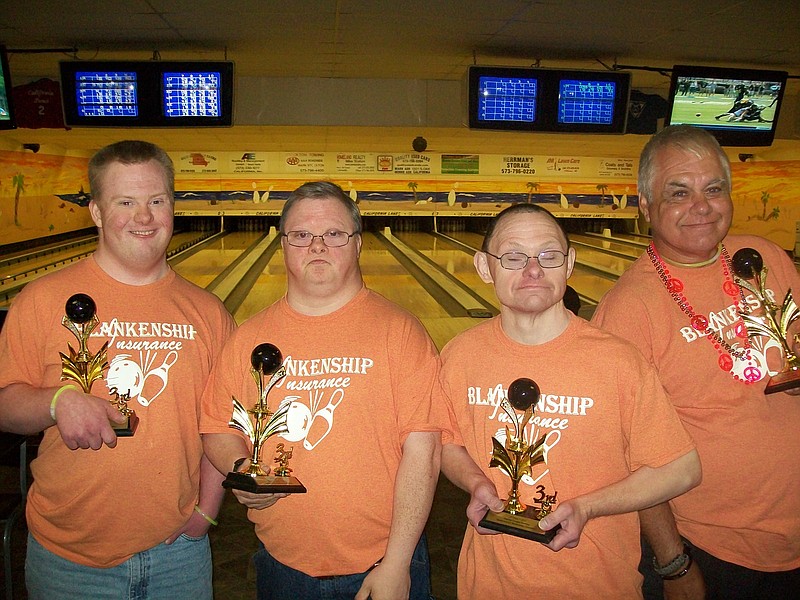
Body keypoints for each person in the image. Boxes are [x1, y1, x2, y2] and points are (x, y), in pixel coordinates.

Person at [0, 140, 236, 599]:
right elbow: (5, 404)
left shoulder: (209, 313)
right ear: (96, 212)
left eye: (156, 201)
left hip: (178, 554)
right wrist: (57, 401)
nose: (143, 217)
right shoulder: (40, 299)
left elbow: (221, 424)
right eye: (125, 202)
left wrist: (207, 512)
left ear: (173, 205)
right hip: (68, 558)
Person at [439, 203, 701, 598]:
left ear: (570, 263)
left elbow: (682, 469)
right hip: (487, 586)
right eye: (513, 257)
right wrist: (475, 482)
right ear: (483, 267)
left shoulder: (619, 361)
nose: (533, 270)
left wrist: (589, 507)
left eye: (549, 255)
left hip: (598, 586)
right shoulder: (459, 356)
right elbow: (446, 441)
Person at [200, 181, 446, 600]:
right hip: (282, 564)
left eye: (333, 234)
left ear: (357, 244)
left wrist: (398, 563)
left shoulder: (401, 332)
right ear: (282, 245)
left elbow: (424, 450)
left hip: (383, 562)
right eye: (300, 235)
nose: (317, 246)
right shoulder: (248, 338)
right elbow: (216, 427)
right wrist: (241, 469)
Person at [592, 124, 800, 599]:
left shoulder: (766, 257)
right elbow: (630, 457)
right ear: (645, 205)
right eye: (678, 192)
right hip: (713, 549)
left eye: (713, 188)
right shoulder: (627, 310)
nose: (701, 206)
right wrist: (675, 564)